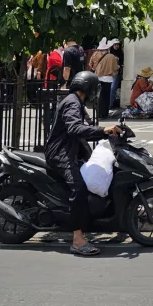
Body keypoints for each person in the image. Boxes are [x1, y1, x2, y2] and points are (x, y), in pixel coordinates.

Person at [44, 70, 120, 256]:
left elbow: (85, 123)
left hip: (70, 150)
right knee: (79, 188)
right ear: (90, 87)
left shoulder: (76, 102)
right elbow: (74, 127)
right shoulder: (72, 102)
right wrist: (103, 130)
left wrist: (107, 130)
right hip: (61, 153)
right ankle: (77, 240)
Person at [95, 40, 120, 119]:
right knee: (106, 96)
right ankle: (104, 113)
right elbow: (115, 67)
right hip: (108, 78)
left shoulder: (95, 55)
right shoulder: (112, 57)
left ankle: (98, 113)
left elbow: (91, 64)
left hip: (98, 77)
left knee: (99, 96)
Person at [109, 40, 123, 110]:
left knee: (112, 89)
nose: (116, 46)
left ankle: (111, 104)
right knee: (110, 89)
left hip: (116, 72)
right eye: (115, 45)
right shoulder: (109, 52)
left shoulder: (121, 52)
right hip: (109, 73)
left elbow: (122, 62)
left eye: (117, 45)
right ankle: (111, 102)